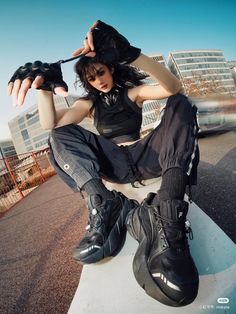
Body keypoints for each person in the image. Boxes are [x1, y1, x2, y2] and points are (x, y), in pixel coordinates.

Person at [8, 20, 199, 306]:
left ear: (111, 67)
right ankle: (105, 204)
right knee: (58, 135)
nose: (99, 80)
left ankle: (167, 206)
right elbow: (52, 125)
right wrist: (45, 89)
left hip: (145, 155)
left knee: (181, 102)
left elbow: (173, 87)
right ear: (88, 82)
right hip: (115, 164)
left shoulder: (131, 92)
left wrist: (133, 54)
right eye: (93, 78)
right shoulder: (89, 104)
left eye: (101, 72)